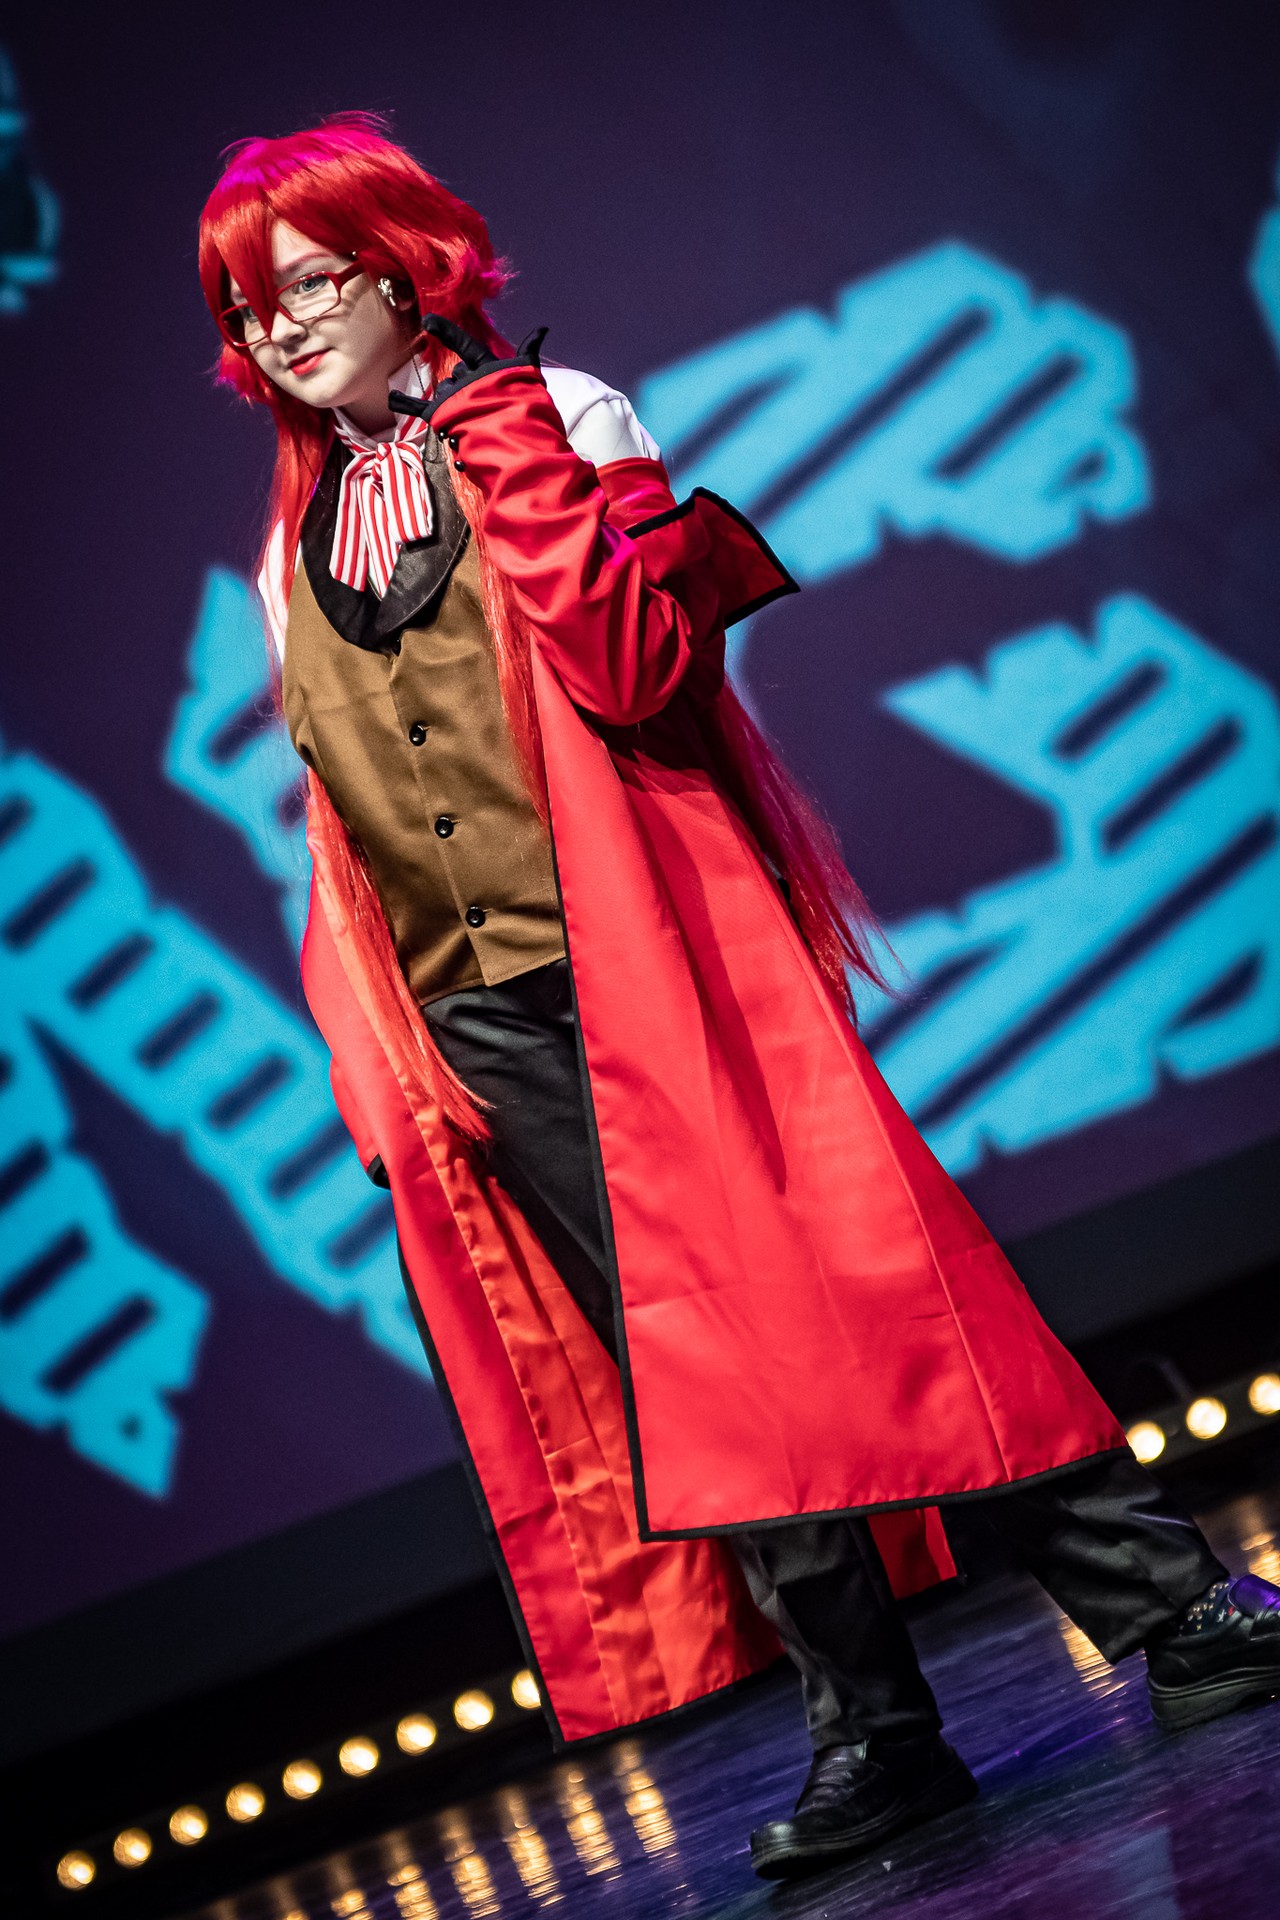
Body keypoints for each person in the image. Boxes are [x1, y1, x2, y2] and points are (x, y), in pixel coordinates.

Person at [198, 114, 1280, 1880]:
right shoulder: (286, 550)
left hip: (656, 959)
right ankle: (879, 1733)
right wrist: (386, 1064)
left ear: (409, 270)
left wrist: (500, 428)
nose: (286, 328)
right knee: (689, 1378)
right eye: (255, 309)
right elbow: (351, 830)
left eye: (315, 283)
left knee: (865, 1291)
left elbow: (635, 663)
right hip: (485, 1017)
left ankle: (1171, 1606)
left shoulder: (565, 417)